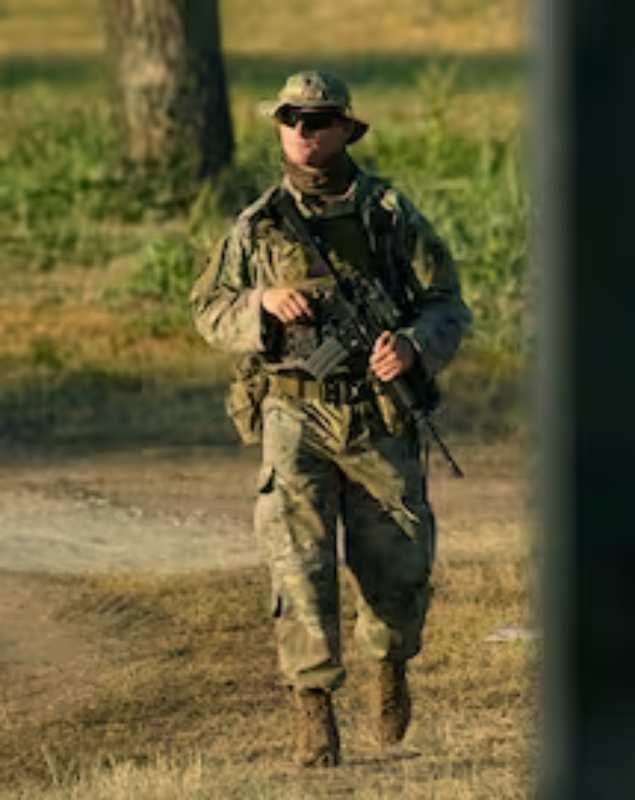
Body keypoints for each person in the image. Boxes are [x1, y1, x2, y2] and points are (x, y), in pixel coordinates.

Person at [190, 70, 471, 767]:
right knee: (298, 570)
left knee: (399, 572)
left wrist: (410, 346)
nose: (305, 132)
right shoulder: (257, 225)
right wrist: (261, 304)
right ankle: (313, 709)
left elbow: (448, 304)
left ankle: (390, 666)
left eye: (319, 119)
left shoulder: (389, 215)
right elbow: (207, 309)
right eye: (292, 119)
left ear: (347, 127)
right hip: (295, 415)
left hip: (377, 418)